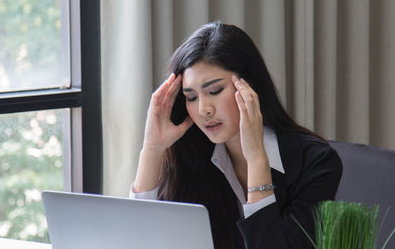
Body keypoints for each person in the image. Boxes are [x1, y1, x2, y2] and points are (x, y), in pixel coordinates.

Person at [129, 22, 342, 249]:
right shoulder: (189, 154)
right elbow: (139, 243)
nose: (204, 109)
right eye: (191, 97)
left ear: (249, 86)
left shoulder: (316, 163)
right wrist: (152, 149)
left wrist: (257, 159)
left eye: (214, 91)